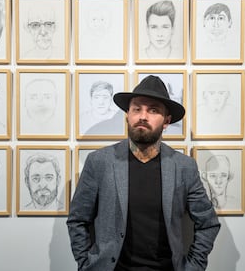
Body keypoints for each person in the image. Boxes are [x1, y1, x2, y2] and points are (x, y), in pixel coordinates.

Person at [67, 75, 220, 270]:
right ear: (127, 116)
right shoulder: (99, 162)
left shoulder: (184, 167)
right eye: (136, 109)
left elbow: (208, 223)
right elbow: (77, 220)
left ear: (166, 121)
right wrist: (87, 265)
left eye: (153, 110)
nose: (143, 116)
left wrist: (193, 267)